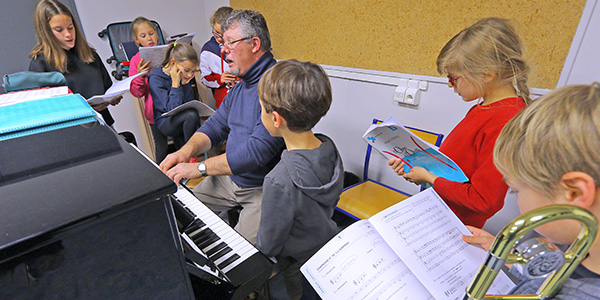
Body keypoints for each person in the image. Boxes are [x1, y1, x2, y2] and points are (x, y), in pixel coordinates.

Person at [389, 17, 531, 228]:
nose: (449, 85)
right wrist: (419, 163)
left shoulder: (505, 121)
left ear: (486, 74)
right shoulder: (483, 107)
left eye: (453, 78)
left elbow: (484, 200)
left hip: (455, 225)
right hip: (438, 210)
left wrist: (429, 177)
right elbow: (464, 161)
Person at [463, 83, 600, 299]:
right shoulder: (581, 250)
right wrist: (511, 258)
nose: (517, 200)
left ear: (574, 193)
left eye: (515, 190)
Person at [159, 10, 285, 244]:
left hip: (263, 188)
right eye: (222, 42)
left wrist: (199, 169)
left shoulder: (277, 85)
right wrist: (184, 152)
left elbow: (257, 153)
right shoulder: (241, 85)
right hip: (231, 177)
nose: (223, 50)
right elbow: (215, 127)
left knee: (243, 258)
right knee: (181, 215)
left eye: (229, 43)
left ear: (254, 44)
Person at [255, 59, 344, 300]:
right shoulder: (329, 149)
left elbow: (269, 244)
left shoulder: (278, 180)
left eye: (261, 107)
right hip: (327, 245)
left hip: (298, 263)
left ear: (276, 119)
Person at [29, 0, 121, 127]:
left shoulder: (90, 54)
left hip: (103, 124)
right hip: (71, 132)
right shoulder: (40, 63)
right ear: (46, 32)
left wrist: (112, 99)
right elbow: (43, 110)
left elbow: (107, 88)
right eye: (59, 30)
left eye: (70, 28)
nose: (68, 34)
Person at [128, 16, 169, 163]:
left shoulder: (168, 53)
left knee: (182, 142)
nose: (149, 38)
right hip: (154, 111)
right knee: (161, 148)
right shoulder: (135, 60)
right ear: (137, 40)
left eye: (151, 33)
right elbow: (136, 92)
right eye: (143, 36)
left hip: (174, 105)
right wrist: (141, 75)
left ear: (157, 34)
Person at [148, 42, 201, 151]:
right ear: (173, 63)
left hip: (181, 118)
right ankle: (189, 151)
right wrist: (175, 84)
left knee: (192, 115)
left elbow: (189, 103)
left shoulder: (183, 76)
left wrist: (186, 85)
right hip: (165, 122)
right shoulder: (156, 78)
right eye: (187, 70)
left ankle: (188, 153)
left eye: (193, 71)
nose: (190, 75)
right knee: (191, 115)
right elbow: (171, 109)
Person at [200, 6, 238, 108]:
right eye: (216, 33)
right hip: (223, 102)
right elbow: (205, 79)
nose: (219, 39)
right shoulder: (207, 50)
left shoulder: (240, 45)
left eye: (223, 35)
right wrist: (220, 79)